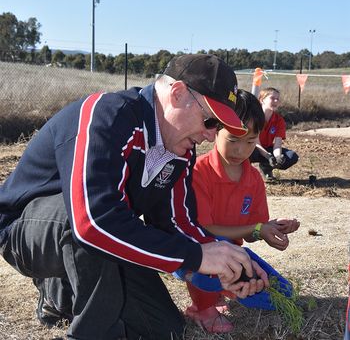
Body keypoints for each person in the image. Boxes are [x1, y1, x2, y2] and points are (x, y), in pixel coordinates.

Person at [0, 54, 269, 340]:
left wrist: (224, 264)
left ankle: (59, 295)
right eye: (209, 120)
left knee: (165, 329)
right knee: (88, 223)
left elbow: (178, 223)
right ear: (177, 94)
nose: (209, 135)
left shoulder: (180, 151)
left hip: (94, 241)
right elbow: (93, 223)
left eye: (216, 126)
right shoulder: (107, 115)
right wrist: (196, 255)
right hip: (25, 231)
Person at [183, 89, 300, 333]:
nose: (240, 150)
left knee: (284, 294)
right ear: (216, 132)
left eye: (250, 141)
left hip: (234, 256)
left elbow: (250, 233)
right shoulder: (199, 173)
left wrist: (271, 228)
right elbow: (205, 229)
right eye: (233, 140)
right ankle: (201, 308)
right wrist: (256, 227)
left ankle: (223, 289)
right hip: (197, 253)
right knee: (209, 256)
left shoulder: (254, 179)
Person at [249, 87, 299, 181]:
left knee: (291, 157)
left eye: (278, 99)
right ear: (262, 100)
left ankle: (266, 168)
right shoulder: (254, 118)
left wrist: (277, 157)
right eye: (272, 98)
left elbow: (277, 144)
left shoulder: (279, 120)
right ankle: (246, 174)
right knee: (247, 152)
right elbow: (256, 143)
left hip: (268, 149)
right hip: (253, 148)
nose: (276, 101)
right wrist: (268, 156)